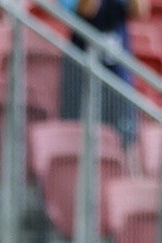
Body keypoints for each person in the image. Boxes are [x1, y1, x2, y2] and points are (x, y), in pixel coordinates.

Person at [59, 0, 147, 143]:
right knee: (79, 133)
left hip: (117, 67)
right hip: (82, 66)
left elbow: (140, 12)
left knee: (121, 135)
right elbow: (87, 9)